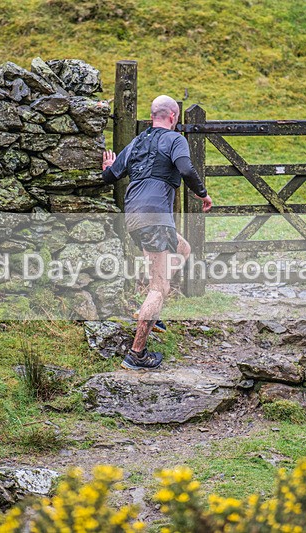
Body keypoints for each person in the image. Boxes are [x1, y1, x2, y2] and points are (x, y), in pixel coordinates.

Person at [101, 95, 212, 370]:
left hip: (135, 215)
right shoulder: (175, 139)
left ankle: (148, 313)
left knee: (183, 249)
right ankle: (137, 353)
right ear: (173, 117)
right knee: (158, 287)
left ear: (154, 116)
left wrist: (106, 168)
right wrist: (203, 194)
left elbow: (112, 175)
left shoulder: (138, 141)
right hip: (156, 217)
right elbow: (185, 167)